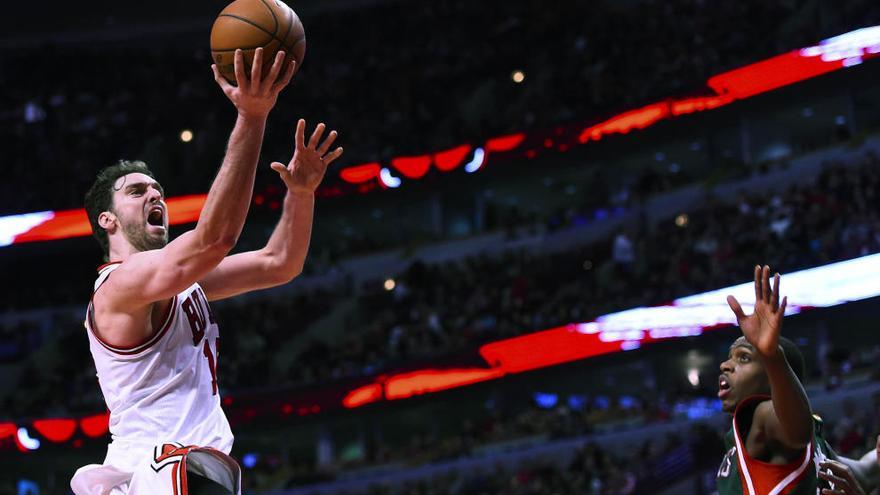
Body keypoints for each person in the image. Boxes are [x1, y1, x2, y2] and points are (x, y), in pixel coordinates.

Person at [70, 47, 343, 494]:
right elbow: (215, 238)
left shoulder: (180, 283)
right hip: (157, 472)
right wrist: (252, 117)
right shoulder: (119, 286)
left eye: (157, 188)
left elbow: (279, 264)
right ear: (107, 220)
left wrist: (301, 194)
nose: (154, 195)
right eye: (137, 191)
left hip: (195, 468)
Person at [716, 266, 879, 495]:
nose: (725, 365)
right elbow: (866, 470)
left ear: (777, 377)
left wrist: (773, 356)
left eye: (744, 357)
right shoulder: (816, 451)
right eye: (730, 357)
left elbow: (797, 432)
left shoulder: (764, 417)